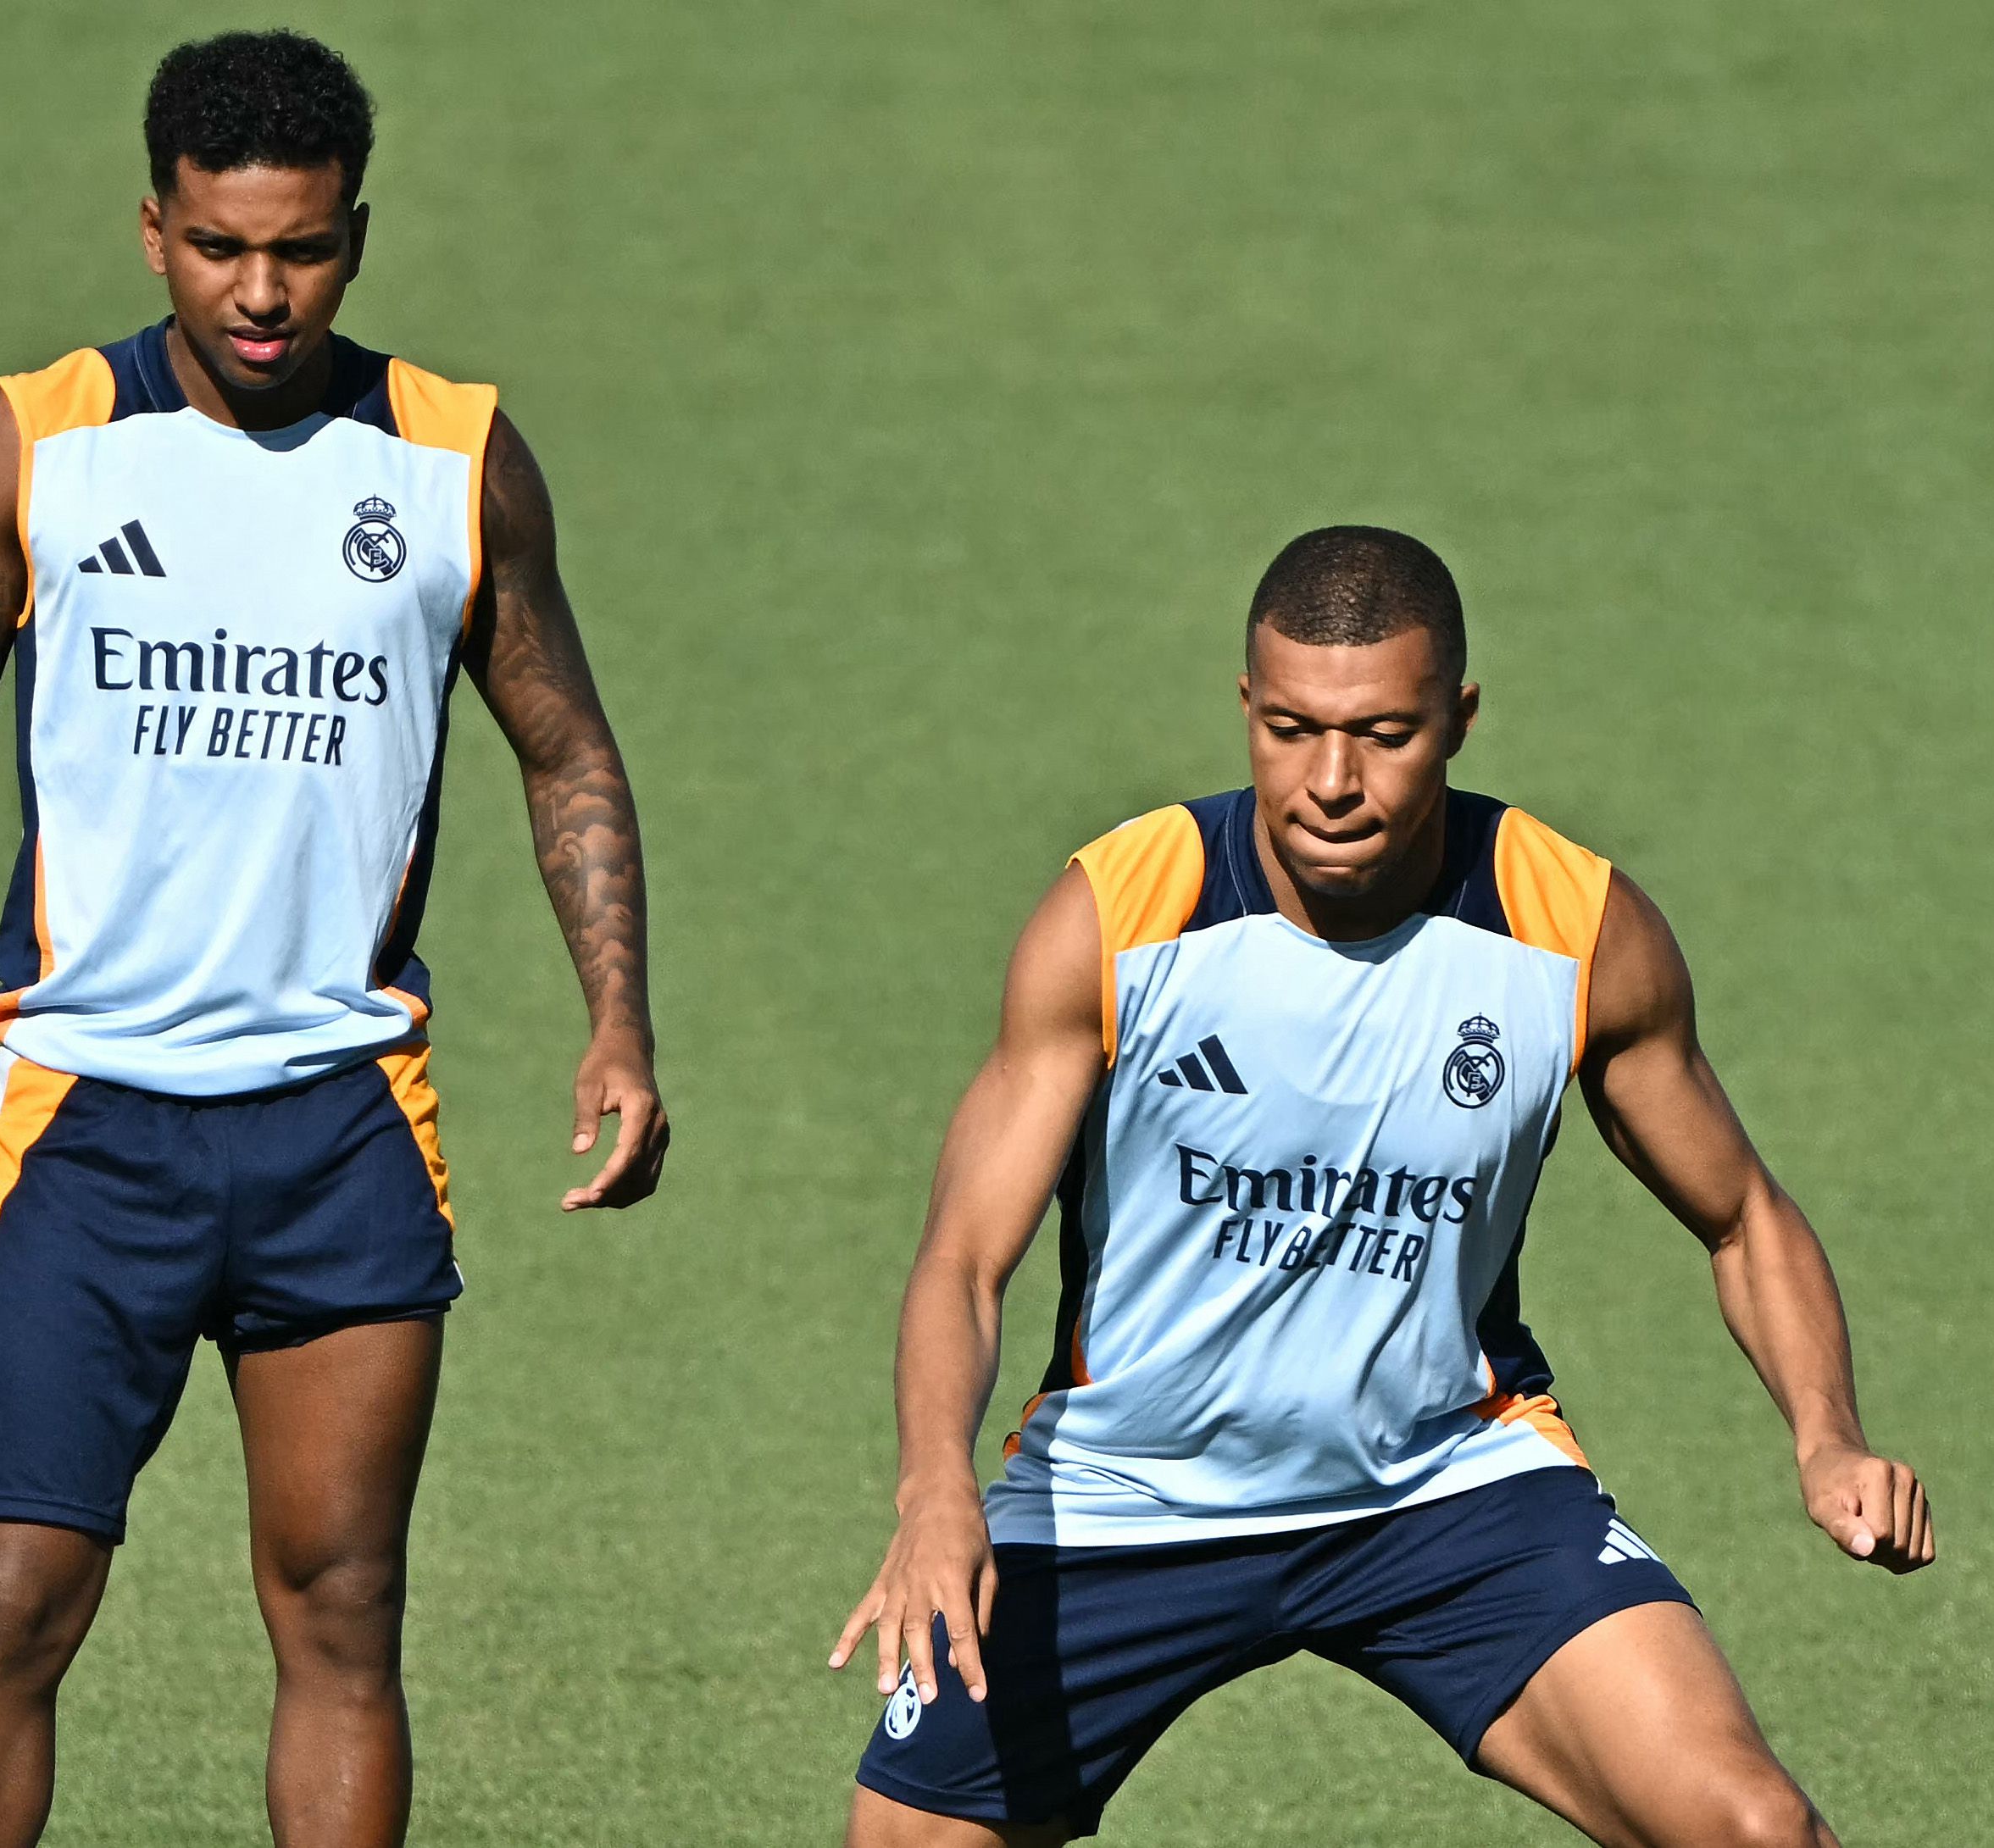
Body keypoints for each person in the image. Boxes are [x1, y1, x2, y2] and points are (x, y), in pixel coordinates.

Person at [0, 30, 669, 1848]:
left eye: (298, 248)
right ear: (152, 229)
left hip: (338, 1121)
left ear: (355, 237)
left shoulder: (451, 459)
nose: (262, 292)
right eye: (221, 246)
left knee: (341, 1614)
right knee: (3, 1613)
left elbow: (563, 747)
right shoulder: (40, 440)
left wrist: (616, 1016)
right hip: (81, 1120)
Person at [826, 529, 1934, 1845]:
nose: (1331, 781)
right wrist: (932, 1487)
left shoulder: (1566, 926)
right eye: (1290, 730)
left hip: (1442, 1491)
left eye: (1384, 734)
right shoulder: (1125, 911)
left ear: (1458, 717)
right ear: (1245, 708)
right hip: (1125, 1493)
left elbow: (1741, 1213)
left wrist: (1825, 1433)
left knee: (1752, 1831)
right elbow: (962, 1256)